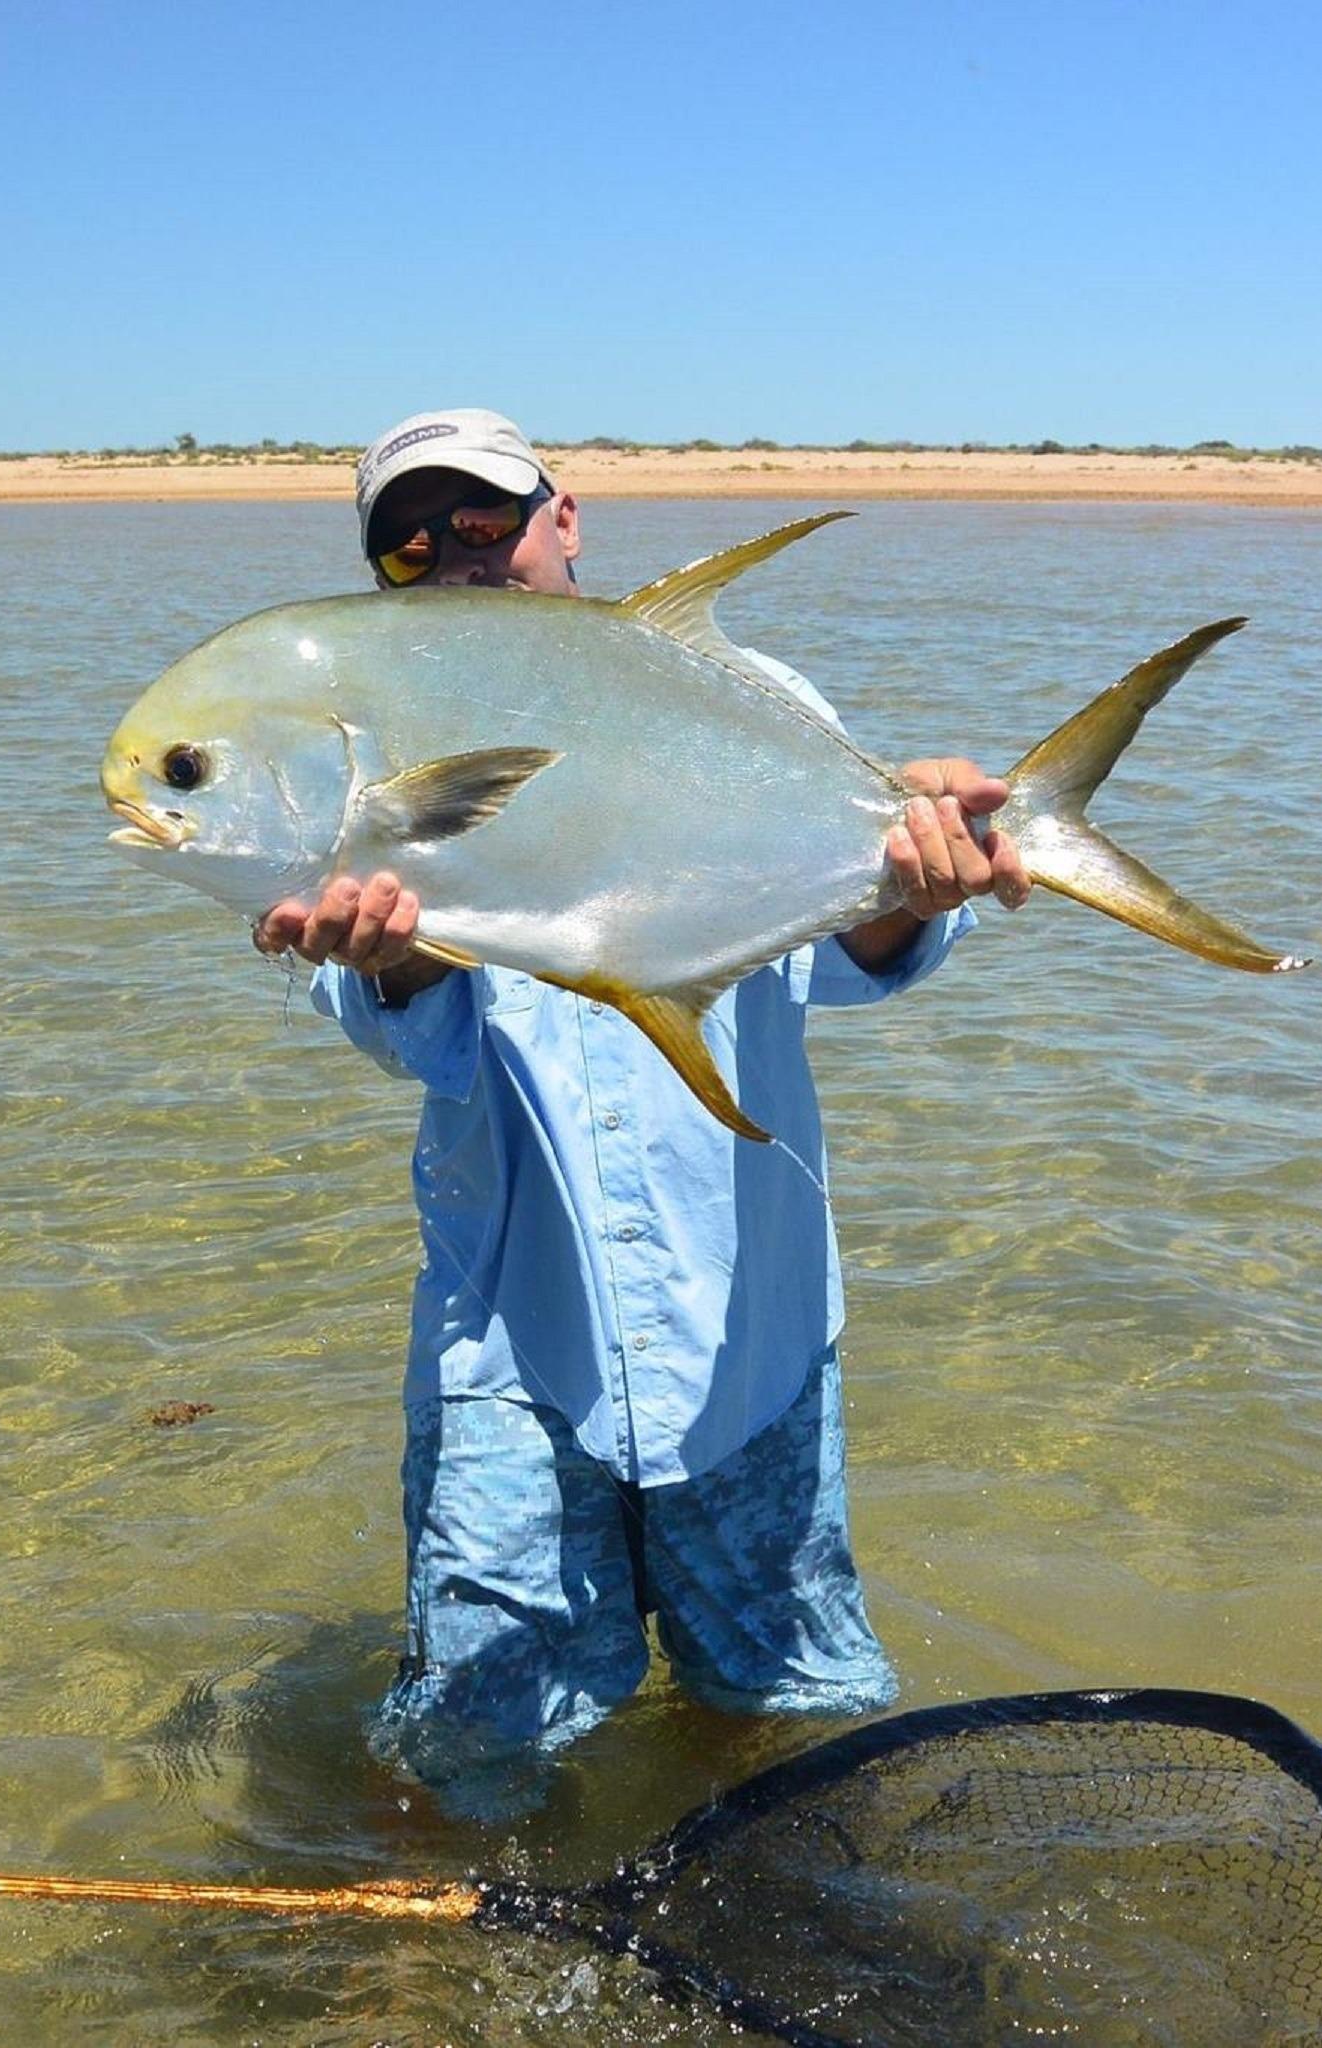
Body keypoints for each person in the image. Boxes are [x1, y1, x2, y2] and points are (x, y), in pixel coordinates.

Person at [253, 409, 1028, 1795]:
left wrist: (909, 885)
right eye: (410, 545)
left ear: (567, 520)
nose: (456, 560)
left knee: (785, 1717)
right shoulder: (373, 759)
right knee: (470, 1752)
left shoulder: (752, 694)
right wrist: (397, 947)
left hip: (750, 1332)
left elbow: (844, 963)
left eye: (486, 522)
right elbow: (404, 1038)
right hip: (513, 1346)